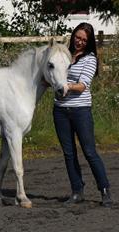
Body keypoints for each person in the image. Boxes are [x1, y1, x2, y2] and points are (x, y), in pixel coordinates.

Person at [53, 22, 113, 207]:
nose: (79, 42)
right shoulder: (63, 54)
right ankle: (77, 191)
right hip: (60, 110)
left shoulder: (90, 58)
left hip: (80, 110)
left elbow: (83, 85)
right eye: (77, 37)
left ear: (88, 42)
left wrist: (66, 86)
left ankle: (104, 189)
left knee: (89, 151)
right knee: (69, 153)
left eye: (83, 40)